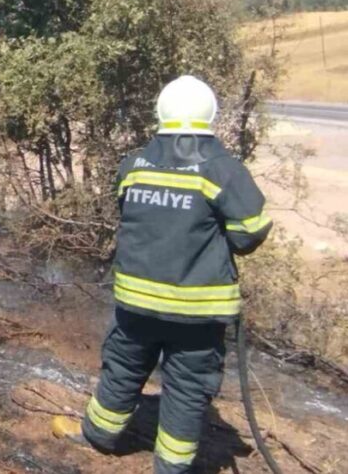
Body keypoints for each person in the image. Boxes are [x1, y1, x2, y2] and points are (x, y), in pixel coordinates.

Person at [52, 75, 272, 473]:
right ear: (211, 115)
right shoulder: (222, 171)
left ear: (161, 113)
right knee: (187, 388)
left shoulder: (133, 164)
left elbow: (132, 213)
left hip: (135, 303)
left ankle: (99, 435)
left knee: (122, 367)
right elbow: (248, 233)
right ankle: (171, 466)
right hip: (197, 310)